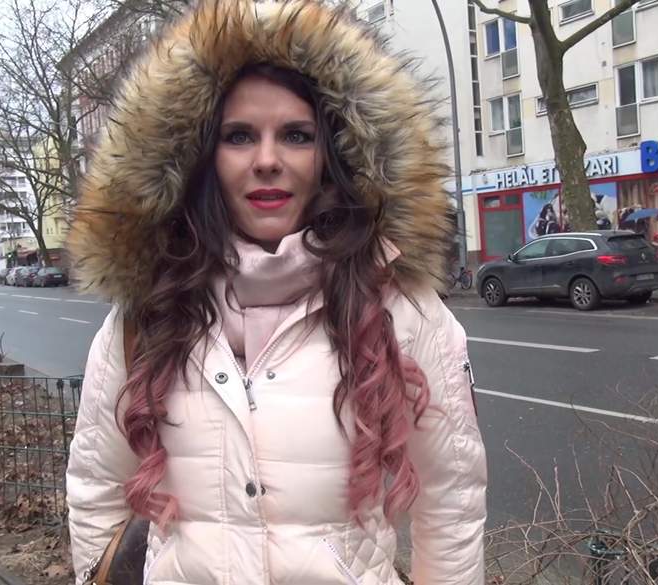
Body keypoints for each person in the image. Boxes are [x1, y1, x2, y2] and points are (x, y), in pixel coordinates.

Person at [65, 2, 487, 584]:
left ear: (331, 154)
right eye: (239, 136)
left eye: (295, 135)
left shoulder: (400, 308)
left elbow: (450, 496)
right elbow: (95, 487)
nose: (267, 160)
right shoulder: (150, 313)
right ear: (203, 158)